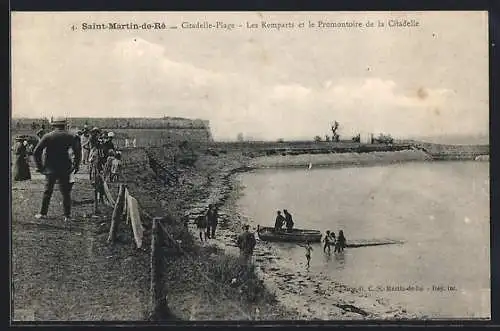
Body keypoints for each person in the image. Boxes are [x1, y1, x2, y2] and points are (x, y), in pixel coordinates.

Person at [32, 118, 81, 221]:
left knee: (47, 191)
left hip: (50, 168)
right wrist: (76, 165)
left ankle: (42, 213)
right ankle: (67, 216)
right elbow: (77, 152)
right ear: (64, 125)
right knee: (66, 193)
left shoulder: (48, 136)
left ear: (54, 126)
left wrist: (39, 167)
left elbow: (36, 152)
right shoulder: (70, 136)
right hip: (65, 167)